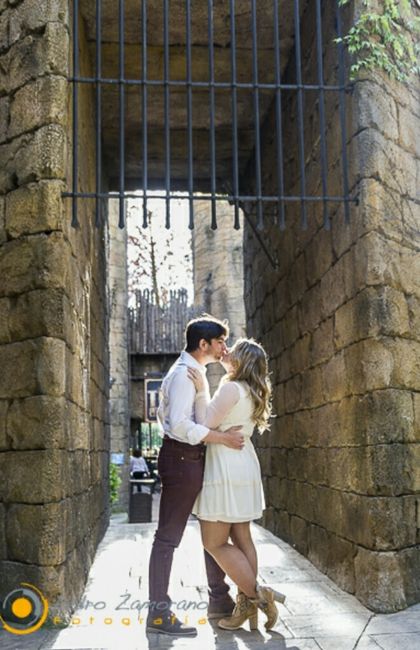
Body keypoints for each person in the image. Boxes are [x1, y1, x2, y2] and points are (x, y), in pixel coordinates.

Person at [146, 316, 245, 637]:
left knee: (213, 532)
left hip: (194, 460)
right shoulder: (182, 375)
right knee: (167, 539)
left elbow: (199, 418)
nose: (224, 348)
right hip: (181, 460)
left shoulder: (194, 373)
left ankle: (219, 599)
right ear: (203, 344)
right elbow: (180, 426)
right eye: (219, 342)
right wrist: (224, 439)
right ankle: (159, 615)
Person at [189, 338, 286, 631]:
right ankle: (246, 608)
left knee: (213, 542)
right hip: (243, 463)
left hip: (224, 466)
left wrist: (201, 388)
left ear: (241, 361)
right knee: (242, 537)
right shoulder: (253, 390)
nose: (226, 351)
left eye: (233, 350)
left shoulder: (231, 387)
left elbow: (204, 422)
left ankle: (259, 596)